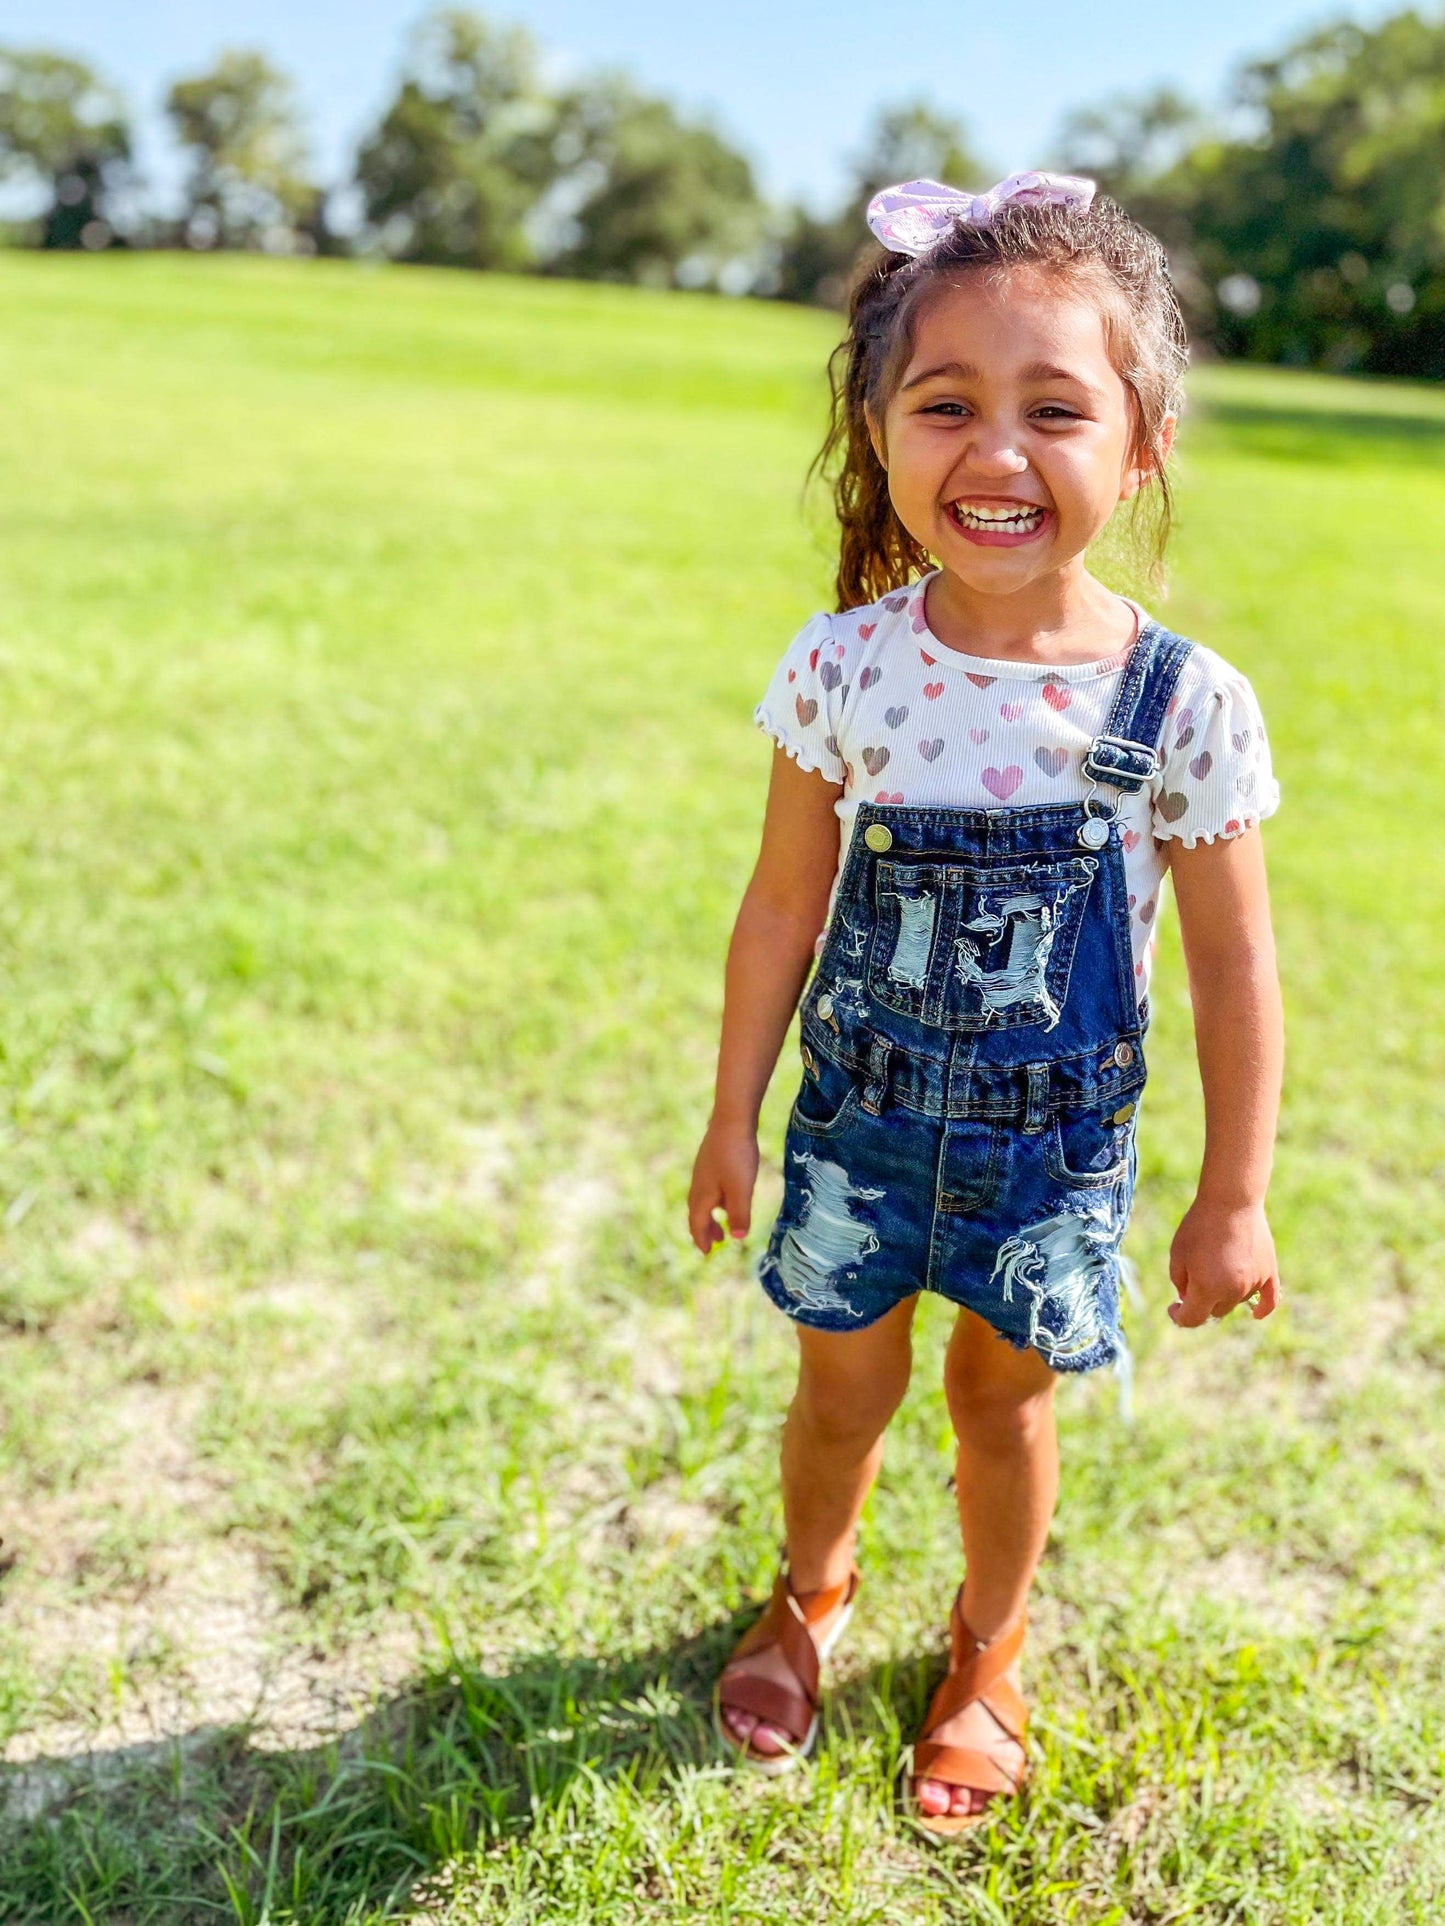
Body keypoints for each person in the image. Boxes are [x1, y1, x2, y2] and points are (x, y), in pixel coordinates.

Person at [686, 172, 1284, 1836]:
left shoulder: (1182, 703)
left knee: (999, 1402)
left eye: (1054, 408)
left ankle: (986, 1647)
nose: (995, 451)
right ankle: (811, 1591)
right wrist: (731, 1110)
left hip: (1048, 1158)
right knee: (839, 1393)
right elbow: (780, 907)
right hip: (854, 1130)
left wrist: (1231, 1191)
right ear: (877, 428)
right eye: (944, 403)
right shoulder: (846, 664)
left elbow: (1236, 962)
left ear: (1142, 439)